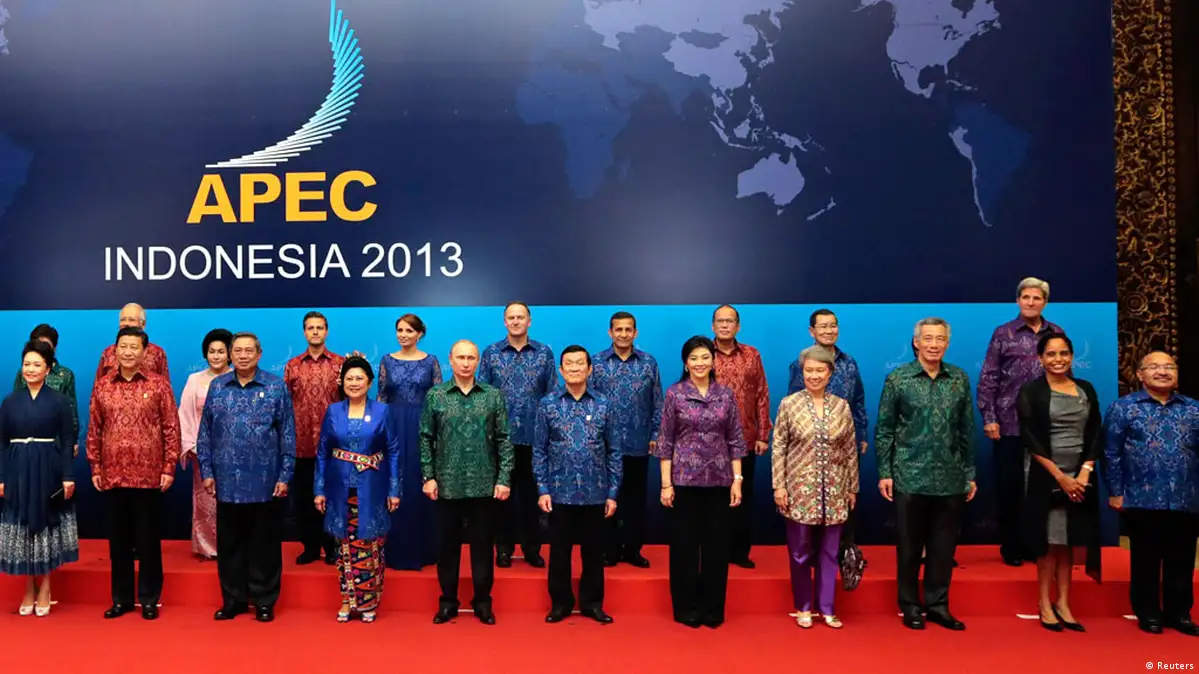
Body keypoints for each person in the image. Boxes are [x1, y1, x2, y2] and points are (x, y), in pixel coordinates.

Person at [875, 317, 977, 631]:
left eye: (940, 339)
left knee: (943, 547)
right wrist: (885, 471)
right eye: (928, 338)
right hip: (909, 474)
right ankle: (909, 605)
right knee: (909, 546)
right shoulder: (899, 378)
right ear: (916, 342)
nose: (934, 344)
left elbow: (967, 429)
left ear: (947, 343)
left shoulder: (958, 378)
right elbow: (885, 430)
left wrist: (969, 473)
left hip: (950, 475)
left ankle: (938, 605)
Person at [198, 332, 296, 623]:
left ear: (259, 354)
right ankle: (234, 600)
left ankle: (264, 601)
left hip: (265, 480)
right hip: (227, 480)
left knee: (264, 544)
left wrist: (285, 474)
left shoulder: (275, 387)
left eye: (248, 351)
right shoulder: (218, 387)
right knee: (230, 545)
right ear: (230, 355)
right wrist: (207, 471)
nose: (243, 355)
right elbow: (205, 434)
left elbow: (287, 433)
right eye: (237, 351)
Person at [86, 327, 181, 621]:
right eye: (123, 346)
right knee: (119, 542)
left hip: (148, 475)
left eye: (133, 347)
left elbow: (171, 427)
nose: (127, 352)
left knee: (148, 541)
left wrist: (169, 466)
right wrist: (95, 465)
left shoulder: (159, 385)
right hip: (112, 474)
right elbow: (94, 428)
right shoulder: (103, 386)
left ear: (144, 352)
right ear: (115, 351)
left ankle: (150, 599)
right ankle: (122, 599)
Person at [654, 335, 746, 629]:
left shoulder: (725, 394)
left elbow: (735, 439)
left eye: (705, 357)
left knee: (717, 547)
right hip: (684, 481)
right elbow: (665, 441)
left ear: (713, 360)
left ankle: (712, 608)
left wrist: (737, 480)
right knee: (684, 547)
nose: (700, 363)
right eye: (694, 358)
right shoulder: (675, 394)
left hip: (719, 480)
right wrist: (666, 484)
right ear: (685, 363)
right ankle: (686, 608)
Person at [1104, 351, 1199, 637]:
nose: (1162, 371)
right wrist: (1115, 491)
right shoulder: (1124, 408)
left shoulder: (1193, 408)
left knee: (1182, 559)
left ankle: (1179, 614)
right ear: (1140, 374)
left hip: (1186, 496)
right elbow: (1111, 452)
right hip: (1140, 496)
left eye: (1169, 366)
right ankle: (1148, 613)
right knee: (1146, 559)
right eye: (1154, 367)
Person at [422, 340, 514, 626]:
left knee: (483, 547)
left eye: (471, 358)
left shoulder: (493, 396)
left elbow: (504, 439)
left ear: (478, 362)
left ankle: (483, 602)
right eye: (460, 357)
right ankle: (448, 602)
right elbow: (425, 438)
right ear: (450, 360)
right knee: (447, 548)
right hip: (446, 484)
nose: (465, 363)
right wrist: (428, 476)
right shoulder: (436, 395)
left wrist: (504, 478)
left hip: (484, 484)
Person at [1016, 333, 1102, 632]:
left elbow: (1096, 432)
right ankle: (1044, 603)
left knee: (1067, 541)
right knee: (1048, 542)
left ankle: (1064, 603)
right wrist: (1061, 477)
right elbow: (1030, 438)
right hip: (1046, 476)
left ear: (1072, 356)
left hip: (1080, 477)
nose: (1058, 359)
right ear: (1040, 358)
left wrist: (1084, 472)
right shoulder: (1031, 391)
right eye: (1051, 354)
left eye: (1064, 353)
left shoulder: (1085, 389)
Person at [978, 277, 1063, 566]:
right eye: (1026, 297)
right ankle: (1011, 547)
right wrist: (990, 418)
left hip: (1047, 424)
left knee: (1041, 487)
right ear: (1018, 301)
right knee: (1010, 487)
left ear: (1045, 302)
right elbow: (988, 377)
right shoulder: (1003, 333)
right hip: (1009, 422)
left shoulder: (1056, 333)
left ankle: (1036, 546)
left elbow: (1065, 377)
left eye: (1037, 298)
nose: (1031, 302)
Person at [773, 345, 859, 629]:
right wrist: (779, 486)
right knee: (799, 551)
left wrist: (852, 487)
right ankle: (803, 607)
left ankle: (827, 608)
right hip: (799, 489)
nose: (814, 376)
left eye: (820, 370)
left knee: (830, 551)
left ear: (830, 373)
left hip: (835, 488)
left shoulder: (841, 406)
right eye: (809, 370)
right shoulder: (789, 404)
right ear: (802, 372)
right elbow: (779, 448)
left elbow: (850, 449)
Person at [536, 345, 621, 624]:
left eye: (579, 363)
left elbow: (614, 451)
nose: (574, 368)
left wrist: (612, 492)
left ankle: (592, 604)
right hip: (558, 491)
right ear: (561, 371)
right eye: (569, 364)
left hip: (596, 492)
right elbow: (539, 450)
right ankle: (560, 604)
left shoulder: (604, 404)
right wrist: (542, 489)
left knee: (594, 552)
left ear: (589, 369)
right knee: (559, 553)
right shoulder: (548, 404)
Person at [314, 357, 401, 623]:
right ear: (342, 382)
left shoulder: (382, 411)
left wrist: (394, 489)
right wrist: (319, 489)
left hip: (372, 488)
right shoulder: (333, 411)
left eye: (359, 378)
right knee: (344, 547)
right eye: (349, 378)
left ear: (369, 383)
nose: (354, 383)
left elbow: (393, 451)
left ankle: (368, 602)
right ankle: (346, 600)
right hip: (339, 489)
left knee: (370, 544)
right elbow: (322, 452)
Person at [0, 340, 79, 616]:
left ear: (48, 369)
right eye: (26, 364)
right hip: (17, 467)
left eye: (37, 364)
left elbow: (68, 440)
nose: (30, 369)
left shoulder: (59, 401)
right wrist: (2, 477)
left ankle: (45, 586)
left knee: (44, 524)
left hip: (48, 467)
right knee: (22, 526)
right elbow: (2, 442)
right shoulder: (10, 401)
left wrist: (67, 475)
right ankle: (28, 589)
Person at [787, 309, 868, 576]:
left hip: (842, 442)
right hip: (808, 448)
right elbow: (793, 405)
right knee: (810, 504)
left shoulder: (850, 363)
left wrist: (862, 433)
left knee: (845, 500)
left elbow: (858, 400)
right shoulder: (800, 363)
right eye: (822, 326)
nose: (829, 331)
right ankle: (812, 556)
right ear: (811, 331)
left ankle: (845, 554)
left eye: (833, 326)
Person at [479, 301, 556, 568]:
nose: (515, 321)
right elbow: (483, 396)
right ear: (504, 321)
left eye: (520, 317)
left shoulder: (544, 353)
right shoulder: (491, 353)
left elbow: (552, 395)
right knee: (502, 498)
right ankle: (503, 548)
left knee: (533, 497)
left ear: (529, 321)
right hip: (501, 438)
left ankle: (532, 548)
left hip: (536, 438)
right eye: (511, 317)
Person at [589, 311, 662, 568]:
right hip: (604, 445)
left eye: (628, 329)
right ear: (610, 332)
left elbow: (657, 402)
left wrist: (655, 434)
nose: (623, 334)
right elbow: (588, 401)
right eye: (618, 329)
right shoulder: (596, 362)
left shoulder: (648, 363)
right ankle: (609, 550)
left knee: (635, 501)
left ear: (635, 332)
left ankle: (632, 550)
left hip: (638, 443)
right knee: (606, 499)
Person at [377, 313, 442, 571]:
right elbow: (382, 397)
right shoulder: (387, 360)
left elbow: (437, 398)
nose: (403, 335)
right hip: (393, 425)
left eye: (409, 331)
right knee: (395, 481)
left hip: (422, 425)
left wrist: (436, 431)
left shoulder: (430, 361)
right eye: (400, 330)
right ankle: (395, 549)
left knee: (419, 480)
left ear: (419, 334)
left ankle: (425, 549)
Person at [711, 304, 770, 568]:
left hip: (745, 439)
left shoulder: (751, 354)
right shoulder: (703, 353)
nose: (725, 325)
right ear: (713, 326)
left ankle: (739, 551)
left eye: (730, 321)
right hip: (710, 441)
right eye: (720, 321)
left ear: (738, 326)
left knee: (743, 496)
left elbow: (761, 393)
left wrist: (763, 434)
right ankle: (715, 551)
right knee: (714, 499)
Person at [283, 311, 344, 566]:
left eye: (320, 327)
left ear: (327, 331)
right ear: (304, 332)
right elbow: (285, 405)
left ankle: (331, 547)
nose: (315, 332)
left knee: (333, 497)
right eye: (311, 328)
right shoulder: (293, 366)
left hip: (333, 444)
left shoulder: (340, 363)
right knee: (305, 499)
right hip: (302, 443)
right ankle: (309, 547)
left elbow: (351, 399)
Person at [178, 328, 233, 559]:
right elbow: (185, 414)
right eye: (212, 351)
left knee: (232, 501)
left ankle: (233, 547)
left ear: (229, 354)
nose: (216, 356)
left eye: (221, 351)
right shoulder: (195, 380)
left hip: (234, 451)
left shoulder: (238, 378)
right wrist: (192, 446)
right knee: (206, 502)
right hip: (203, 451)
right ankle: (208, 548)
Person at [13, 324, 79, 456]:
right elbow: (15, 409)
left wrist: (73, 441)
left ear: (54, 348)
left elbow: (71, 413)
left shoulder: (65, 375)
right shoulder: (24, 373)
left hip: (56, 443)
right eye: (37, 344)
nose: (41, 349)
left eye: (46, 345)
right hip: (27, 441)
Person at [94, 303, 170, 380]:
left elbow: (164, 384)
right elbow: (98, 384)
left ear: (143, 324)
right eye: (123, 319)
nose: (126, 323)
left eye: (131, 320)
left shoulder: (158, 353)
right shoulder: (107, 352)